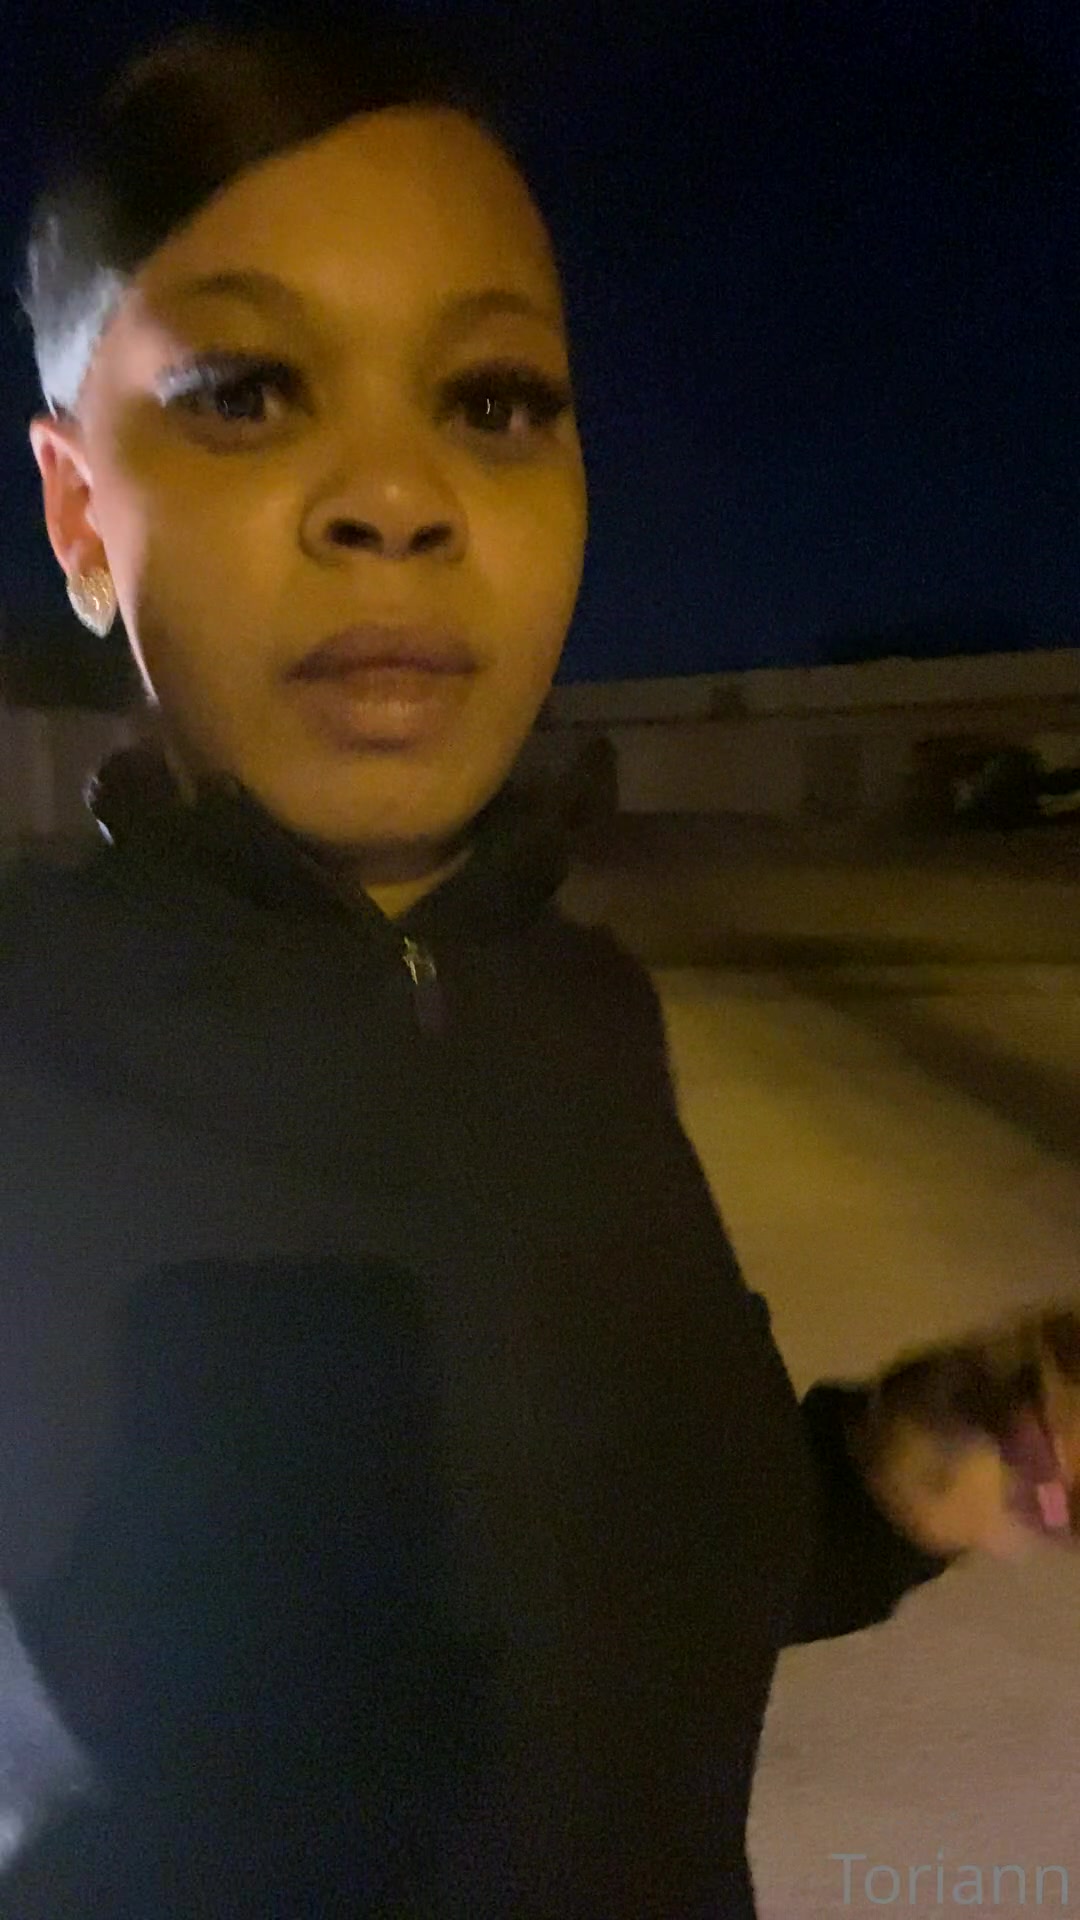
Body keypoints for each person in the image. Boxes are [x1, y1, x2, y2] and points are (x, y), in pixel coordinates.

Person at [0, 18, 1069, 1915]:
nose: (397, 496)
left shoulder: (588, 1012)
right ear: (83, 513)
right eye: (248, 391)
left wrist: (879, 1488)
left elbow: (623, 1584)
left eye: (491, 402)